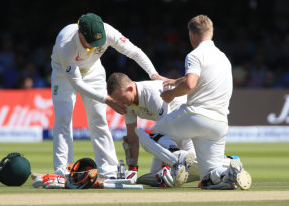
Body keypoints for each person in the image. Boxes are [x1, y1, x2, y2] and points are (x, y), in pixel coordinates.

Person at [135, 15, 252, 190]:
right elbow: (200, 79)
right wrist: (177, 81)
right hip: (220, 123)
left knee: (149, 134)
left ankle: (179, 158)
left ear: (192, 34)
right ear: (211, 33)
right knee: (208, 178)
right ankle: (230, 174)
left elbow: (190, 84)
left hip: (197, 115)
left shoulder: (195, 55)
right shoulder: (223, 58)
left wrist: (172, 94)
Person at [50, 13, 166, 178]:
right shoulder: (65, 44)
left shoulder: (108, 32)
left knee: (98, 118)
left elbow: (134, 52)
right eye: (89, 42)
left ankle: (108, 169)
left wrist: (153, 74)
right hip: (64, 74)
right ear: (80, 33)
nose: (93, 46)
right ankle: (63, 170)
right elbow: (77, 83)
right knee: (63, 118)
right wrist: (107, 99)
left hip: (93, 70)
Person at [107, 72, 237, 187]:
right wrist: (132, 168)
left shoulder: (152, 94)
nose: (120, 104)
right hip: (173, 131)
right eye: (117, 100)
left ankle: (226, 162)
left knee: (152, 140)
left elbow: (165, 131)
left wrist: (166, 167)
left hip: (187, 123)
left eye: (121, 99)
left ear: (130, 89)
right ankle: (226, 167)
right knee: (156, 176)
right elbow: (131, 137)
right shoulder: (127, 103)